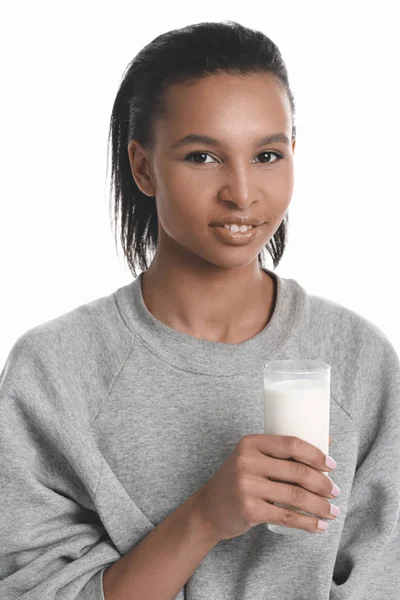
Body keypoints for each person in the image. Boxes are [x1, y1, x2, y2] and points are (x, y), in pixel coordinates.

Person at [0, 20, 399, 600]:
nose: (241, 191)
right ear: (142, 167)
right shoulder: (55, 372)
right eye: (203, 157)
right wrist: (205, 518)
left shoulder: (359, 359)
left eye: (267, 154)